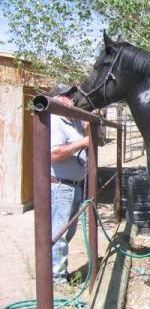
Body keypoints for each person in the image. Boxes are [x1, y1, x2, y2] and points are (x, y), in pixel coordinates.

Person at [49, 83, 89, 284]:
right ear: (56, 99)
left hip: (74, 185)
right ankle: (56, 277)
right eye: (67, 95)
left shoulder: (72, 121)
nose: (72, 97)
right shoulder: (55, 120)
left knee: (68, 231)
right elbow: (54, 154)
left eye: (72, 93)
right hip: (61, 186)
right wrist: (82, 142)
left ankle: (57, 270)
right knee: (60, 232)